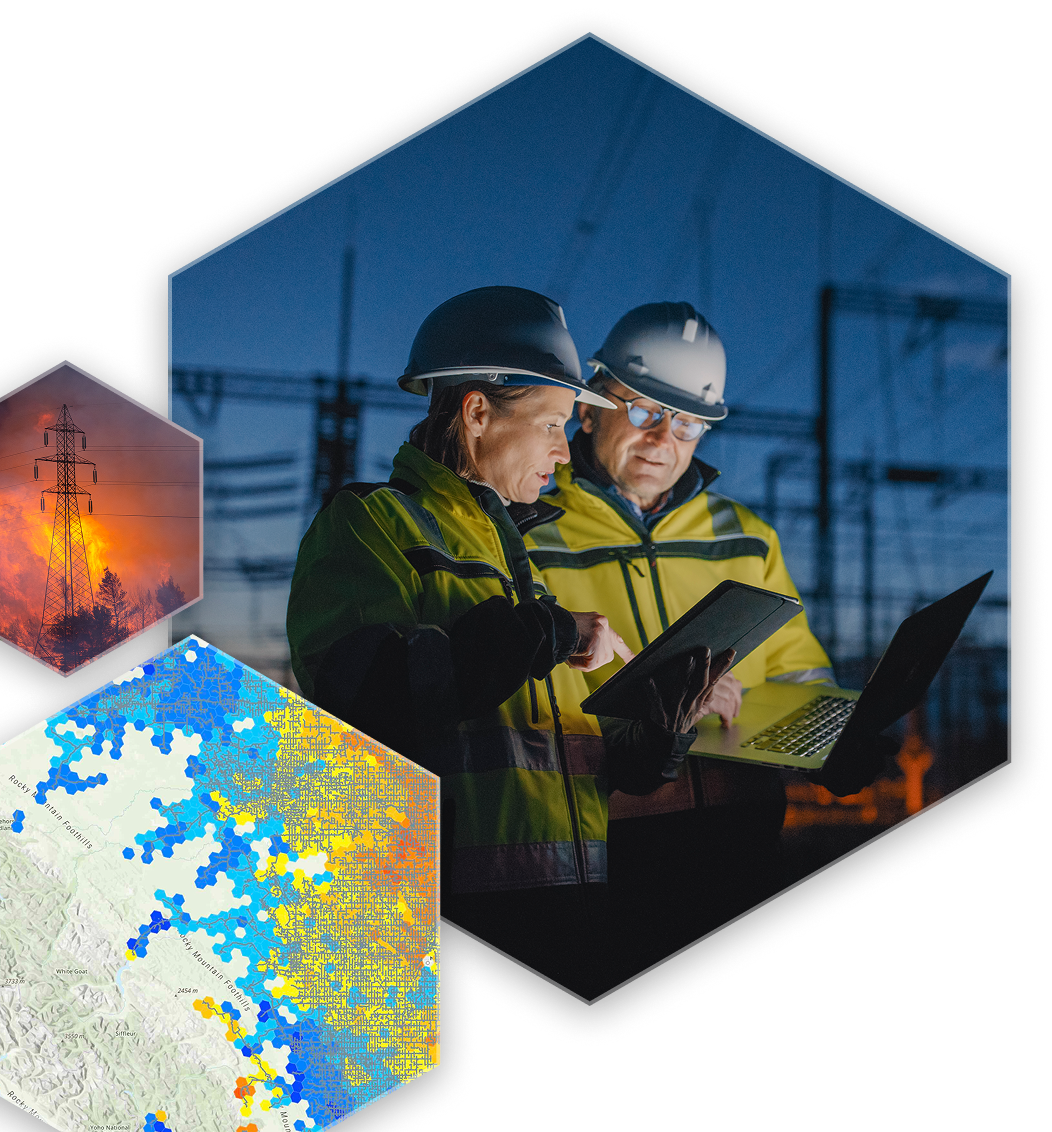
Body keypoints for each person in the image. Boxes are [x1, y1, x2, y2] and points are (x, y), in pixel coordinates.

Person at [286, 287, 733, 997]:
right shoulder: (369, 526)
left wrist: (660, 732)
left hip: (575, 915)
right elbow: (369, 695)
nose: (566, 446)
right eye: (553, 423)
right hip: (449, 922)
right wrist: (545, 632)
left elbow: (564, 762)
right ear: (476, 414)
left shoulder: (518, 562)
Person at [523, 302, 880, 963]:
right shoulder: (526, 529)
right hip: (596, 855)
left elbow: (797, 672)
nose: (663, 438)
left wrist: (836, 741)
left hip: (738, 851)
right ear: (589, 404)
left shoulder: (745, 536)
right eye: (641, 410)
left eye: (687, 422)